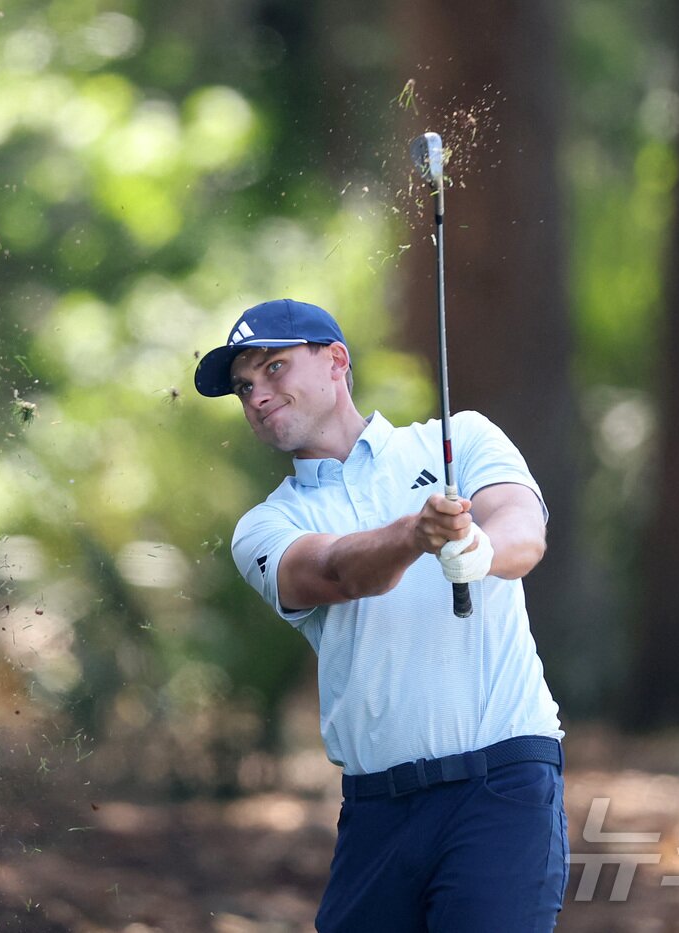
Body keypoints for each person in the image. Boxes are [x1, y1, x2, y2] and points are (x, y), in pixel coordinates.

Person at [194, 298, 568, 932]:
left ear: (336, 360)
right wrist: (413, 535)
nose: (256, 395)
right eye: (243, 386)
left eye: (275, 368)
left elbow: (522, 531)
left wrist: (480, 550)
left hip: (500, 786)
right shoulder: (265, 525)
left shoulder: (459, 438)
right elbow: (333, 571)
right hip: (376, 812)